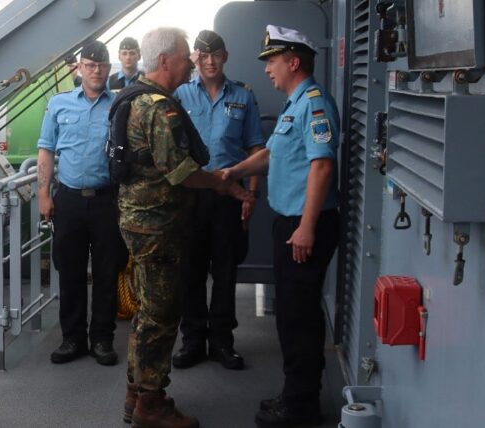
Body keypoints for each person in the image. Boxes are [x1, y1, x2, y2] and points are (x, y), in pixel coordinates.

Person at [116, 27, 254, 427]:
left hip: (137, 221)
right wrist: (223, 185)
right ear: (165, 61)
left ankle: (134, 390)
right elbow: (182, 173)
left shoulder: (131, 96)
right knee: (160, 316)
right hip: (159, 227)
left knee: (145, 312)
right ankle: (152, 405)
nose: (190, 63)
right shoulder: (160, 107)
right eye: (184, 56)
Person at [222, 25, 340, 428]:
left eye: (272, 61)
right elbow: (272, 155)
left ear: (293, 61)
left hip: (304, 225)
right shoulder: (294, 105)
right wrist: (234, 171)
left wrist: (306, 227)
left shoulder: (314, 103)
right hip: (288, 222)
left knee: (298, 317)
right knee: (291, 314)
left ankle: (302, 406)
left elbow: (322, 165)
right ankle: (296, 394)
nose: (268, 69)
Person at [172, 29, 264, 371]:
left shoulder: (243, 96)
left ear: (225, 56)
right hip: (191, 196)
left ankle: (223, 341)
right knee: (190, 271)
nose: (209, 62)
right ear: (196, 58)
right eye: (203, 55)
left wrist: (252, 195)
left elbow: (256, 149)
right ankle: (193, 340)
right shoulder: (180, 95)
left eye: (216, 55)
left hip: (229, 197)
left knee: (226, 271)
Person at [37, 40, 124, 366]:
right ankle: (72, 338)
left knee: (106, 271)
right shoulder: (59, 104)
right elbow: (46, 150)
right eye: (90, 65)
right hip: (69, 200)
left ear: (109, 68)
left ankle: (101, 339)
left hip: (106, 201)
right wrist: (44, 194)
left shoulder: (118, 105)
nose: (96, 70)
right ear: (80, 68)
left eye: (101, 65)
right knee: (69, 271)